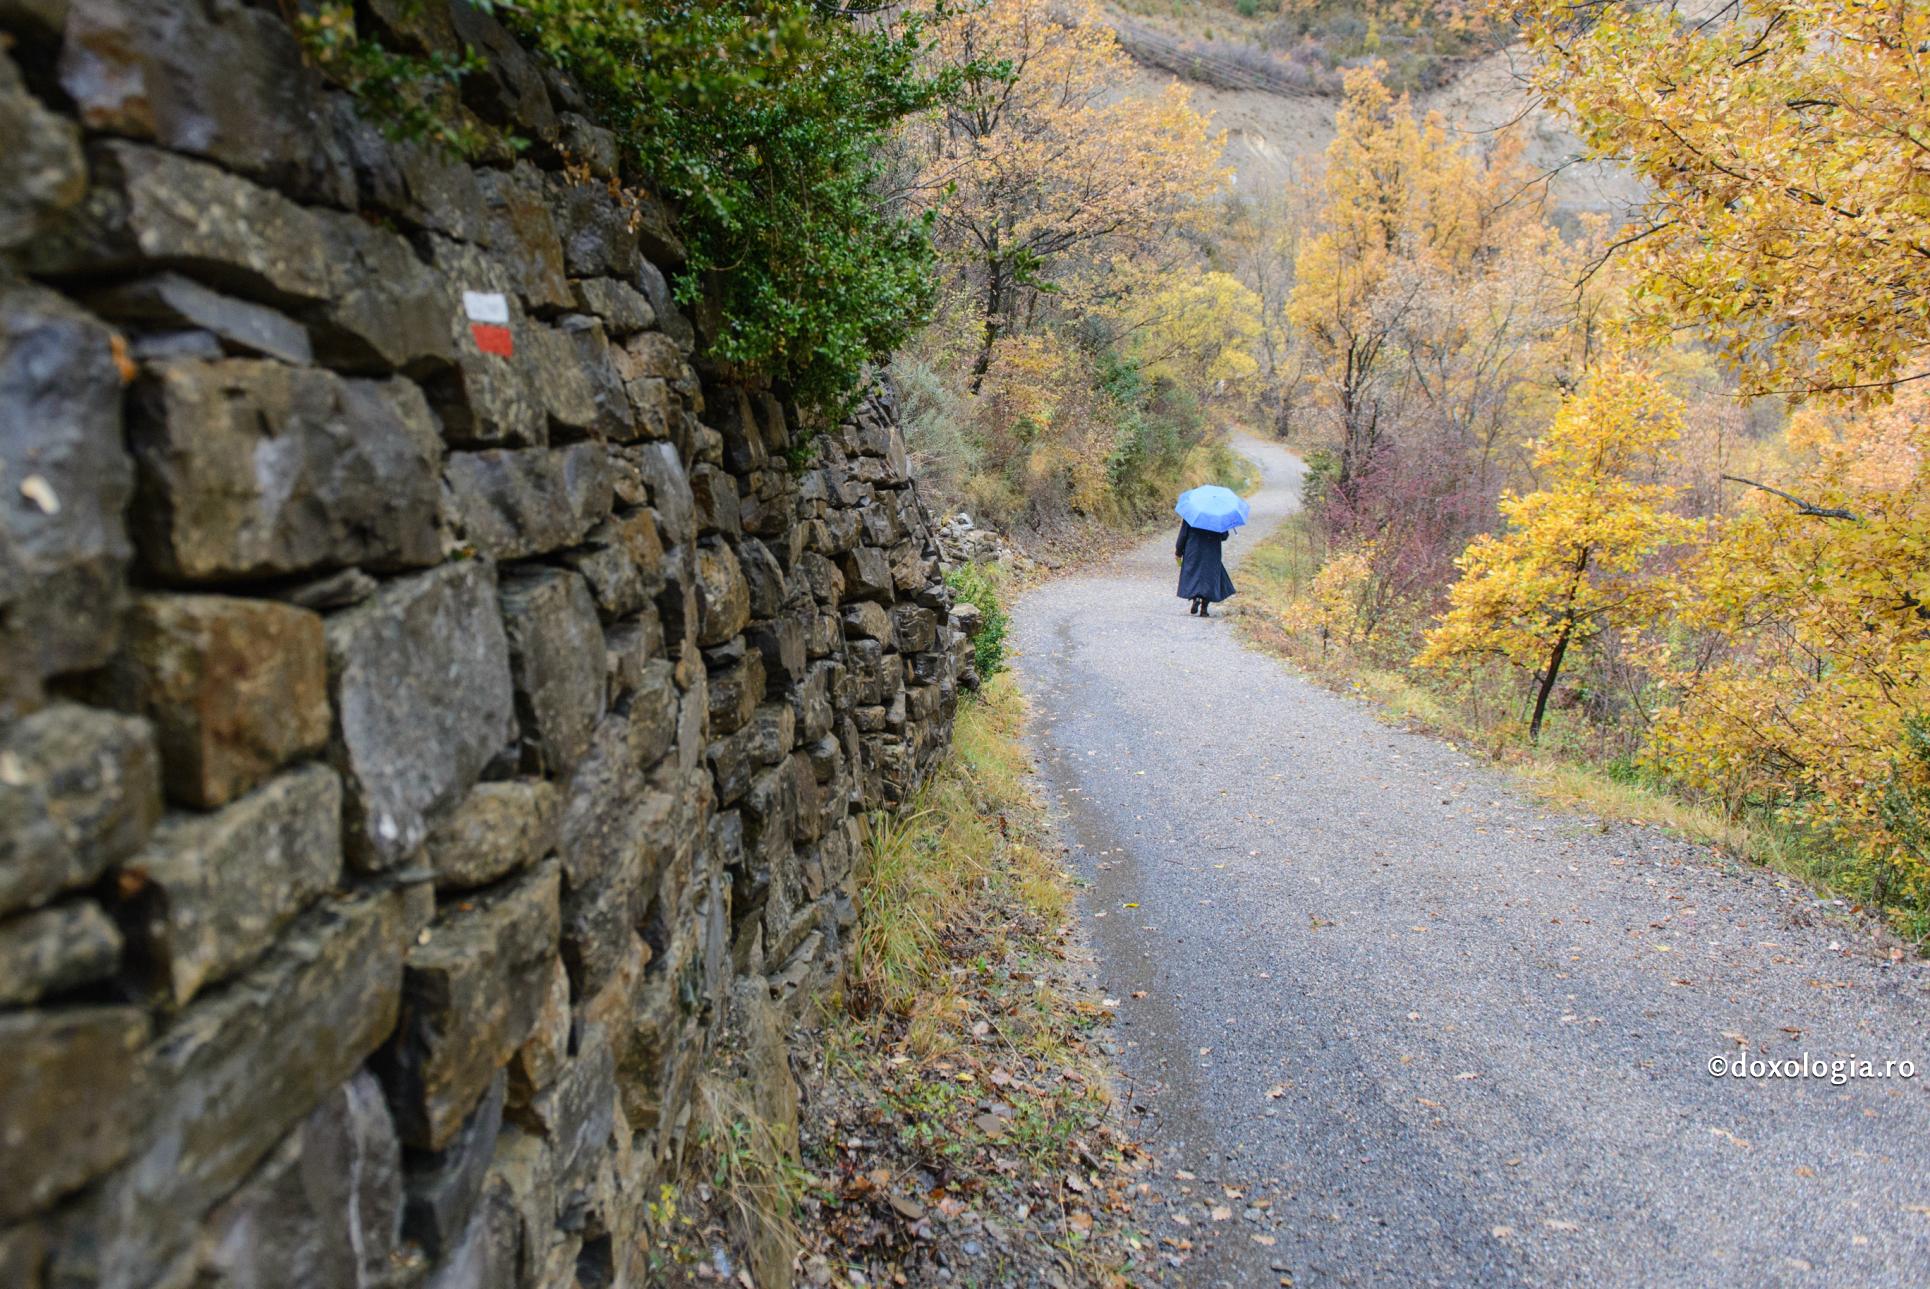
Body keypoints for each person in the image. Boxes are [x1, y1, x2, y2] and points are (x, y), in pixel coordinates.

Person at [1175, 518, 1234, 616]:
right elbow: (1224, 536)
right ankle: (1204, 609)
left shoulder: (1192, 515)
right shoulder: (1218, 516)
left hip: (1193, 549)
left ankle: (1196, 598)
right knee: (1209, 577)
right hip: (1211, 551)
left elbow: (1183, 534)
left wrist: (1178, 551)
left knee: (1194, 574)